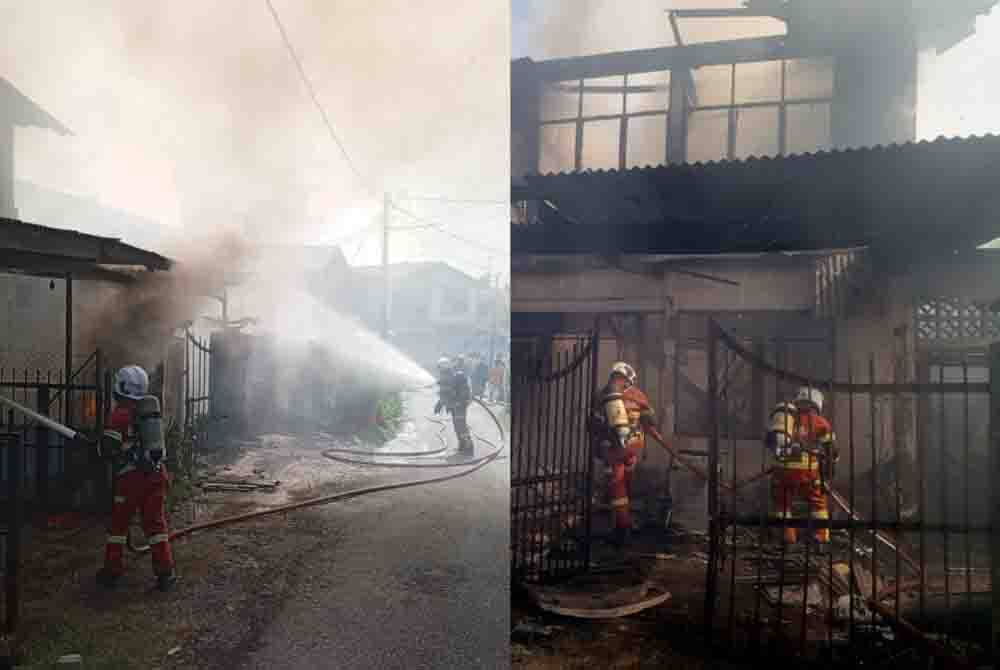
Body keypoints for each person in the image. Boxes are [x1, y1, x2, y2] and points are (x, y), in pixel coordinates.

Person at [96, 365, 177, 591]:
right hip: (156, 475)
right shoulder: (149, 410)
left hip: (131, 480)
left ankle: (111, 572)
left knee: (118, 527)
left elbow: (109, 448)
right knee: (156, 526)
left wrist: (98, 447)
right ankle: (165, 574)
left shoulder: (121, 413)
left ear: (121, 388)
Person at [589, 362, 655, 548]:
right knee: (625, 485)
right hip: (634, 447)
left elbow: (594, 423)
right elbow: (651, 419)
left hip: (615, 450)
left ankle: (622, 528)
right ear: (629, 379)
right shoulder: (639, 395)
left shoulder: (603, 395)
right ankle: (622, 521)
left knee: (617, 489)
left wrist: (601, 443)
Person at [765, 386, 839, 546]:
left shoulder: (786, 418)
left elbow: (770, 441)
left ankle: (786, 537)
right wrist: (830, 470)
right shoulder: (820, 422)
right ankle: (821, 536)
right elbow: (832, 450)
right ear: (817, 403)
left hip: (781, 472)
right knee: (818, 502)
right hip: (807, 474)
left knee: (782, 504)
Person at [435, 357, 475, 455]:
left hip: (459, 406)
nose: (439, 371)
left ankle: (469, 447)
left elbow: (464, 392)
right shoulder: (445, 377)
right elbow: (445, 393)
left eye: (440, 368)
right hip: (453, 406)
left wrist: (459, 402)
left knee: (461, 426)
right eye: (439, 368)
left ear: (445, 367)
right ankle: (462, 446)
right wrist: (440, 403)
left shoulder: (457, 376)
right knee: (457, 426)